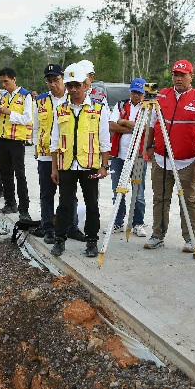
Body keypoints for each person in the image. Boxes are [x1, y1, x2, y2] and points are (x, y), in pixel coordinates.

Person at [144, 59, 195, 253]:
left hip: (186, 161)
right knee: (160, 198)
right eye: (175, 75)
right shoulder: (161, 96)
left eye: (182, 75)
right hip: (161, 159)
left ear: (191, 76)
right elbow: (152, 123)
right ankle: (157, 235)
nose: (178, 78)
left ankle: (190, 238)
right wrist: (150, 149)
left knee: (188, 200)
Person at [49, 63, 110, 257]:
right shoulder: (60, 109)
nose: (73, 90)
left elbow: (104, 141)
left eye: (77, 85)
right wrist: (54, 168)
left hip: (90, 165)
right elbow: (55, 141)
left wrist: (104, 166)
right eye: (70, 86)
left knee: (92, 205)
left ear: (85, 85)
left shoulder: (98, 109)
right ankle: (60, 240)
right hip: (66, 165)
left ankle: (92, 241)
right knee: (64, 205)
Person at [33, 64, 83, 244]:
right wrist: (36, 148)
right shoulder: (40, 101)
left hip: (68, 155)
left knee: (69, 193)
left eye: (56, 80)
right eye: (49, 81)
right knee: (47, 193)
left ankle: (72, 227)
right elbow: (36, 126)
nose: (53, 84)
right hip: (46, 155)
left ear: (63, 79)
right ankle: (48, 228)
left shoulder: (72, 99)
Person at [107, 77, 148, 237]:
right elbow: (111, 125)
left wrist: (124, 121)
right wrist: (134, 128)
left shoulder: (147, 108)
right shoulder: (120, 104)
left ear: (144, 93)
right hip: (119, 156)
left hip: (138, 157)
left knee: (138, 192)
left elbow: (145, 128)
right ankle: (118, 222)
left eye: (139, 93)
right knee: (117, 191)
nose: (136, 96)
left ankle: (138, 223)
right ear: (130, 92)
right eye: (134, 92)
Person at [0, 67, 34, 221]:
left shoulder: (26, 96)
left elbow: (27, 119)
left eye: (6, 81)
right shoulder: (4, 97)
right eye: (2, 82)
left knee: (20, 175)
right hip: (3, 138)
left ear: (14, 79)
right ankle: (10, 202)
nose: (4, 85)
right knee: (5, 173)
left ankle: (24, 209)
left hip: (17, 140)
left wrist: (9, 112)